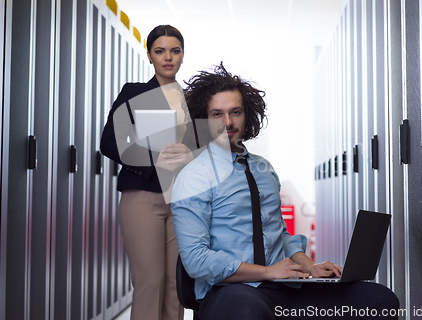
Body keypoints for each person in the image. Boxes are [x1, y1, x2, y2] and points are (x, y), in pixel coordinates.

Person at [170, 64, 399, 319]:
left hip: (282, 288)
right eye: (216, 114)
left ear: (247, 114)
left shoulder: (263, 169)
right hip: (227, 292)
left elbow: (279, 234)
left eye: (235, 112)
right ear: (203, 118)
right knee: (248, 309)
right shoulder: (194, 177)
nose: (227, 122)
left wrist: (310, 267)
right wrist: (268, 272)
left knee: (379, 299)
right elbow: (196, 259)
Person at [101, 25, 196, 320]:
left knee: (175, 286)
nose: (168, 57)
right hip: (142, 197)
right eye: (160, 51)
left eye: (175, 50)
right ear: (150, 56)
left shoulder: (194, 99)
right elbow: (109, 142)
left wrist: (191, 152)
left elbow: (210, 145)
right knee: (149, 282)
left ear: (182, 55)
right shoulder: (134, 92)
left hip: (183, 201)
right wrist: (154, 157)